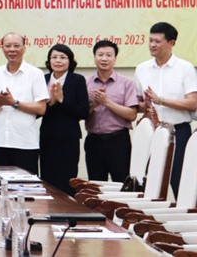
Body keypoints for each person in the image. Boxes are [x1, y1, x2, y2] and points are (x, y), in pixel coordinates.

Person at [134, 22, 197, 197]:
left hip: (178, 132)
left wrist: (161, 100)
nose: (152, 45)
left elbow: (193, 103)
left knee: (180, 181)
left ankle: (188, 214)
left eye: (157, 41)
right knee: (148, 182)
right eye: (150, 40)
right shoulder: (141, 69)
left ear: (171, 43)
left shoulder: (185, 68)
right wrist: (146, 104)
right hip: (152, 132)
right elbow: (139, 104)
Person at [0, 33, 48, 175]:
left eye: (16, 46)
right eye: (8, 46)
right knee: (2, 185)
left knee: (27, 187)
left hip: (26, 143)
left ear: (24, 48)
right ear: (2, 48)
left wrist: (14, 103)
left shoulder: (35, 73)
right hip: (1, 142)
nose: (12, 49)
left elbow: (41, 108)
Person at [84, 40, 137, 182]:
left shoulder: (126, 83)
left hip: (118, 141)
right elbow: (81, 114)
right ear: (94, 57)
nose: (104, 58)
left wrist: (106, 102)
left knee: (121, 183)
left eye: (109, 55)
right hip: (93, 141)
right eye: (100, 54)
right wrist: (94, 104)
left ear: (115, 58)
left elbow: (132, 115)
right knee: (95, 185)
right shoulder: (85, 83)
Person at [39, 44, 89, 196]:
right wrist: (51, 103)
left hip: (69, 138)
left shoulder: (77, 80)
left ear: (70, 61)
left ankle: (67, 209)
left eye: (62, 57)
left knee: (67, 180)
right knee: (47, 179)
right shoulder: (43, 79)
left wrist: (62, 100)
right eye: (54, 57)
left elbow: (83, 112)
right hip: (47, 137)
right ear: (49, 61)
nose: (58, 61)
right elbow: (37, 111)